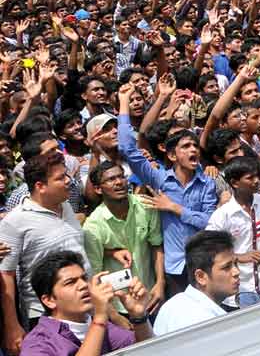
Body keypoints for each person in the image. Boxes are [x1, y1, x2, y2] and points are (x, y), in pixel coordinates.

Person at [117, 84, 218, 298]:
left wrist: (174, 208)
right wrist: (124, 103)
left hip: (204, 263)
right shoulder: (159, 179)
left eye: (195, 146)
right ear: (172, 156)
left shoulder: (207, 183)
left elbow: (209, 222)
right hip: (174, 268)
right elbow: (127, 148)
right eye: (186, 147)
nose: (193, 150)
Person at [0, 142, 85, 353]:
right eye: (60, 178)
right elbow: (6, 275)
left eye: (67, 175)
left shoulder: (65, 207)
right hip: (45, 315)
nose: (69, 181)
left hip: (82, 305)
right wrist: (12, 326)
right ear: (40, 186)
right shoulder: (15, 222)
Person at [21, 250, 154, 356]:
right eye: (70, 282)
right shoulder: (37, 344)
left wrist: (139, 317)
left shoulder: (98, 325)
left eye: (84, 278)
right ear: (49, 300)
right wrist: (100, 316)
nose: (84, 285)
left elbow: (144, 350)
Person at [82, 161, 165, 320]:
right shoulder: (93, 226)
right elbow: (95, 275)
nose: (119, 182)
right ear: (98, 189)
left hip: (151, 296)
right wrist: (113, 314)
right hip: (120, 305)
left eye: (121, 177)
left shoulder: (145, 205)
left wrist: (160, 283)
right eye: (111, 179)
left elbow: (157, 246)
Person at [206, 156, 260, 309]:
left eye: (256, 175)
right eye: (250, 178)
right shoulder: (223, 215)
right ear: (234, 183)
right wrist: (239, 257)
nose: (257, 180)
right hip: (239, 290)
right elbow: (209, 250)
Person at [152, 230, 240, 336]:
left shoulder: (171, 305)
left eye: (236, 264)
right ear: (201, 276)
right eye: (226, 267)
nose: (236, 272)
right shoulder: (207, 323)